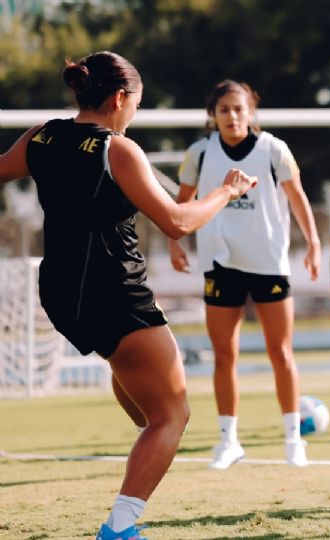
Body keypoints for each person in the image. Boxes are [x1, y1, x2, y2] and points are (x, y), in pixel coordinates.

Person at [0, 51, 257, 540]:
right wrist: (227, 191)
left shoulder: (43, 134)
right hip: (113, 291)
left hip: (59, 291)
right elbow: (177, 222)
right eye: (136, 104)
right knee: (171, 415)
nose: (134, 113)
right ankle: (120, 528)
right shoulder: (116, 149)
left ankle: (144, 442)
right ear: (120, 98)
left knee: (147, 407)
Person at [168, 80, 322, 469]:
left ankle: (293, 439)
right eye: (224, 110)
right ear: (213, 115)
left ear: (251, 112)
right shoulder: (199, 154)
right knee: (225, 355)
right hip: (220, 263)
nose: (233, 116)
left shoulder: (274, 150)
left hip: (269, 263)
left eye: (239, 109)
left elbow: (297, 197)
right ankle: (228, 440)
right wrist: (175, 243)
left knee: (281, 352)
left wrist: (314, 243)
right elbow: (181, 204)